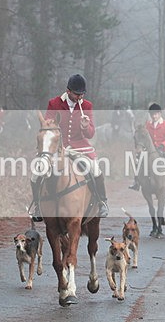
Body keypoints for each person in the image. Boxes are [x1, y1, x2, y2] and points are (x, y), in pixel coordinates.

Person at [30, 73, 108, 220]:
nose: (79, 98)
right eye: (76, 94)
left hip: (80, 147)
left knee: (96, 170)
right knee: (36, 173)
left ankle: (101, 202)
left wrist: (86, 127)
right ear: (68, 91)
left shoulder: (87, 106)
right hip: (58, 148)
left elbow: (91, 134)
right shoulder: (54, 104)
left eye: (82, 94)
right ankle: (37, 206)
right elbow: (47, 126)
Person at [129, 103, 165, 191]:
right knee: (138, 160)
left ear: (159, 114)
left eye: (155, 114)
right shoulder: (147, 125)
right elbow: (145, 138)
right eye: (152, 114)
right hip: (151, 150)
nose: (154, 116)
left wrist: (163, 145)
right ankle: (136, 182)